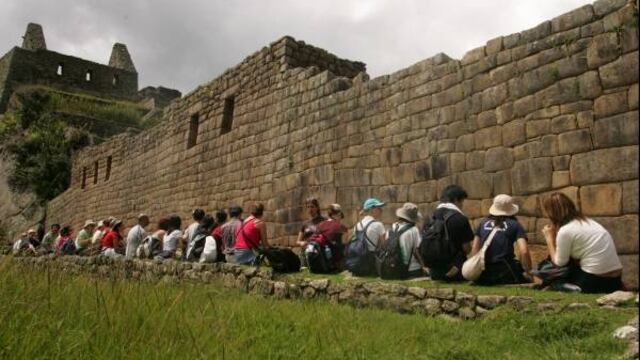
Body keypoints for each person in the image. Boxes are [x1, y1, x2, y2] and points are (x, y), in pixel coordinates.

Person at [541, 192, 623, 293]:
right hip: (615, 281)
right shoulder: (589, 222)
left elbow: (559, 263)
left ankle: (573, 288)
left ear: (551, 213)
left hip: (595, 281)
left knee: (554, 275)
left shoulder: (566, 230)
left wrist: (549, 238)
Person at [469, 194, 532, 285]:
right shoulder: (514, 224)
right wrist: (528, 272)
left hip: (484, 273)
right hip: (506, 273)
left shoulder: (483, 223)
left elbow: (475, 248)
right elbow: (524, 251)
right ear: (511, 210)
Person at [424, 185, 474, 282]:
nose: (462, 205)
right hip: (455, 272)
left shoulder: (430, 218)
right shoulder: (460, 218)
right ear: (456, 200)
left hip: (434, 271)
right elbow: (467, 249)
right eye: (462, 202)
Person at [388, 203, 424, 278]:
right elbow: (416, 251)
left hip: (395, 267)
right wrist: (424, 266)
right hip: (412, 269)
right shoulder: (414, 230)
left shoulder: (393, 228)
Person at [317, 204, 348, 270]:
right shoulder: (342, 227)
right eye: (341, 216)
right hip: (335, 262)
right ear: (338, 214)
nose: (341, 218)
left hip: (321, 260)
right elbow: (344, 245)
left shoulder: (320, 225)